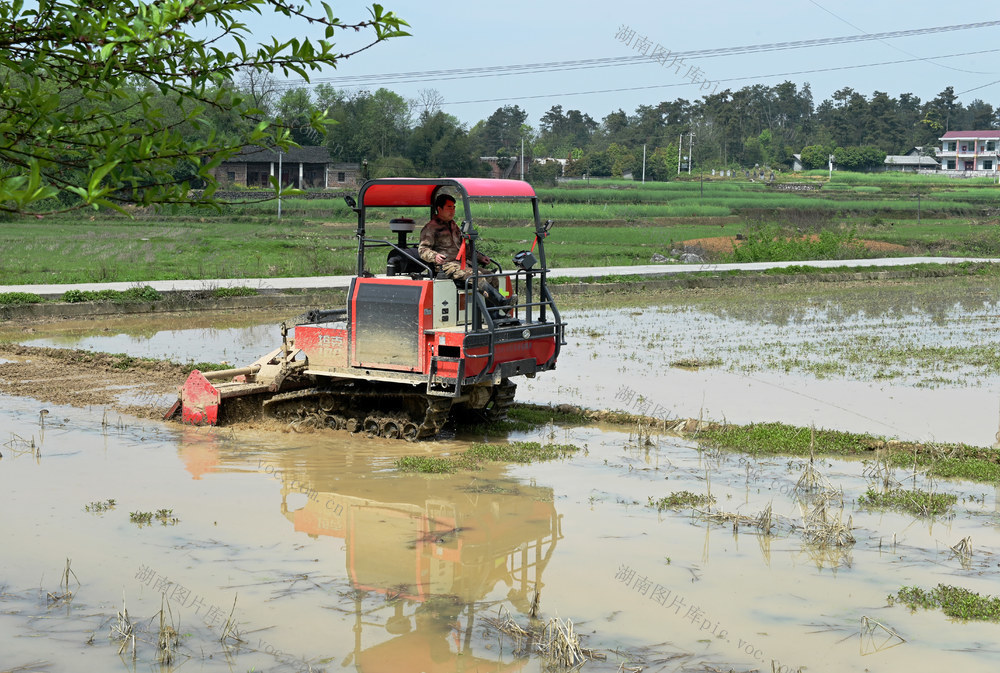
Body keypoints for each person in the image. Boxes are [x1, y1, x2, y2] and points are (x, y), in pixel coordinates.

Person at [418, 194, 514, 309]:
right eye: (449, 207)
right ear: (439, 209)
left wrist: (479, 257)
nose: (452, 211)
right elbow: (422, 250)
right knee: (475, 275)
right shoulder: (431, 228)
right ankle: (502, 302)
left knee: (491, 275)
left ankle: (494, 314)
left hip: (462, 264)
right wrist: (435, 256)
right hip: (447, 266)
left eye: (454, 207)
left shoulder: (454, 226)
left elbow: (464, 247)